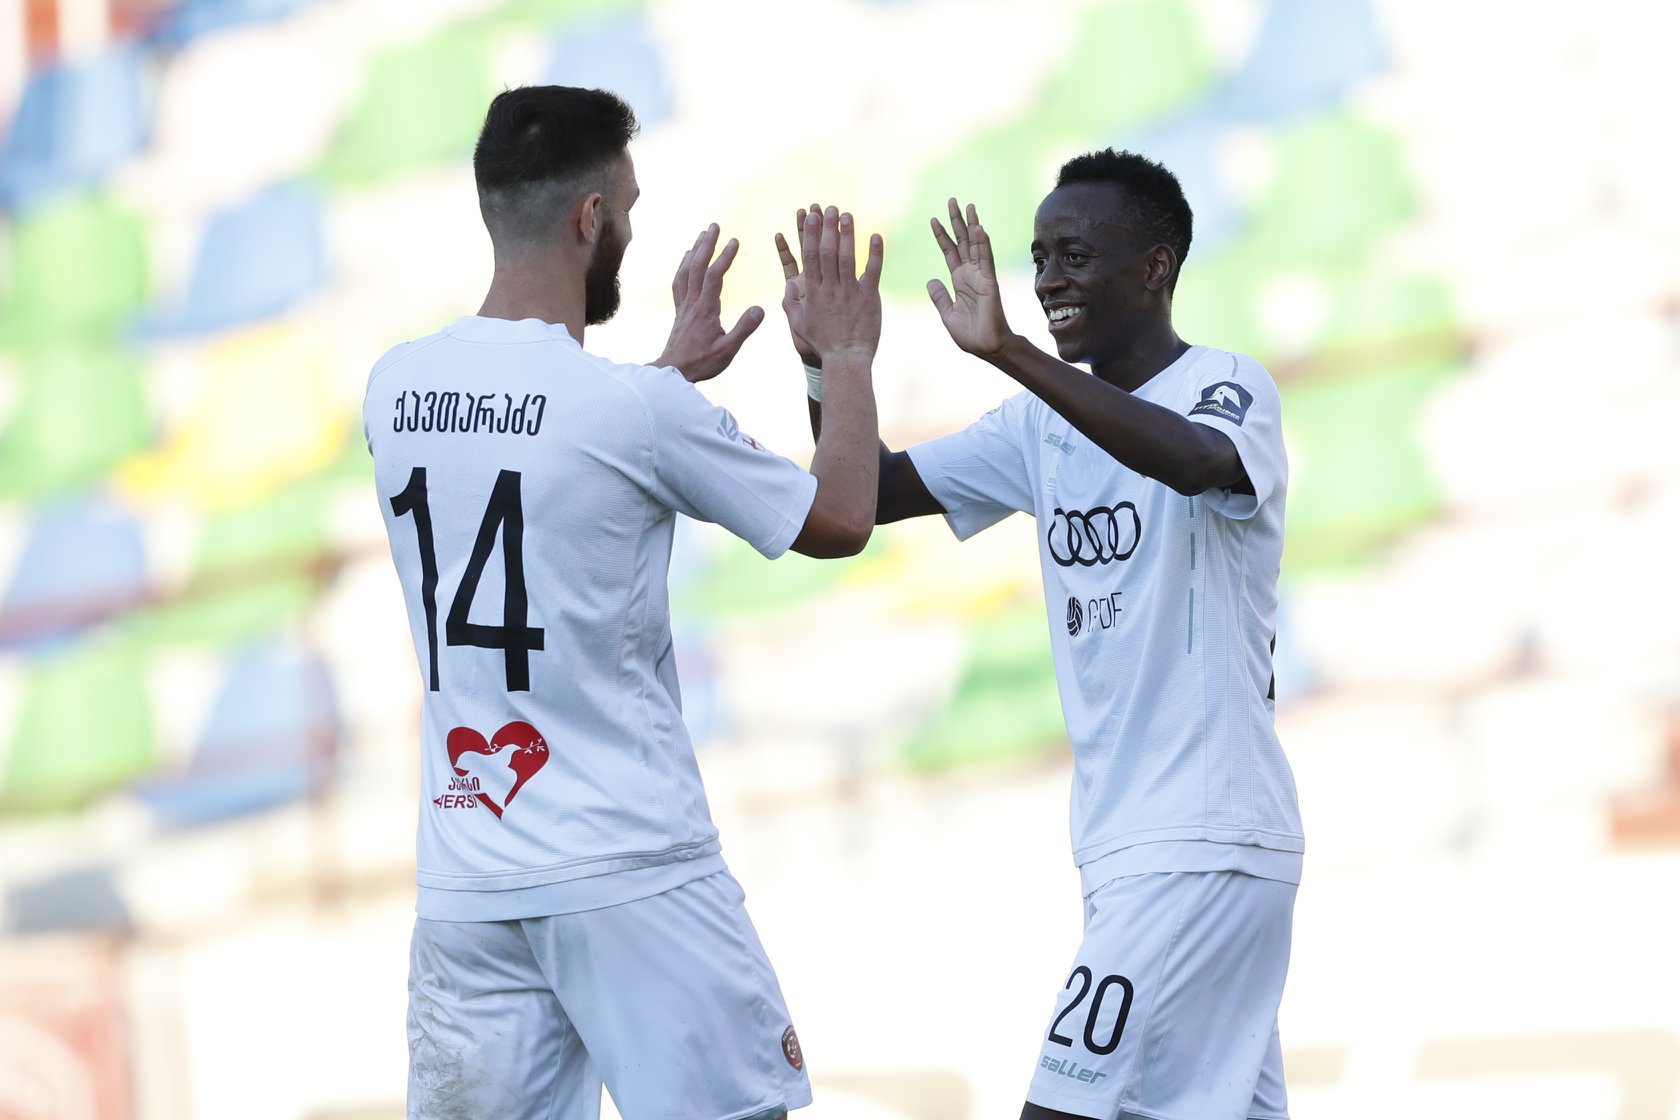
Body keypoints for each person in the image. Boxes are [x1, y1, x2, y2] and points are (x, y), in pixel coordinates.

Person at [364, 85, 884, 1120]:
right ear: (590, 217)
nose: (633, 233)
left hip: (470, 888)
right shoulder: (634, 410)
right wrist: (844, 359)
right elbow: (838, 517)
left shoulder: (395, 389)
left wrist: (667, 374)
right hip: (629, 867)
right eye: (630, 209)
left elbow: (538, 450)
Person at [780, 150, 1302, 1120]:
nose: (1049, 278)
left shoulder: (1226, 385)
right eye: (1039, 257)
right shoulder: (1038, 426)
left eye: (1076, 255)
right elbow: (868, 494)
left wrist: (1009, 350)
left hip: (1199, 839)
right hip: (1132, 850)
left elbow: (1196, 463)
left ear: (1156, 266)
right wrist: (831, 365)